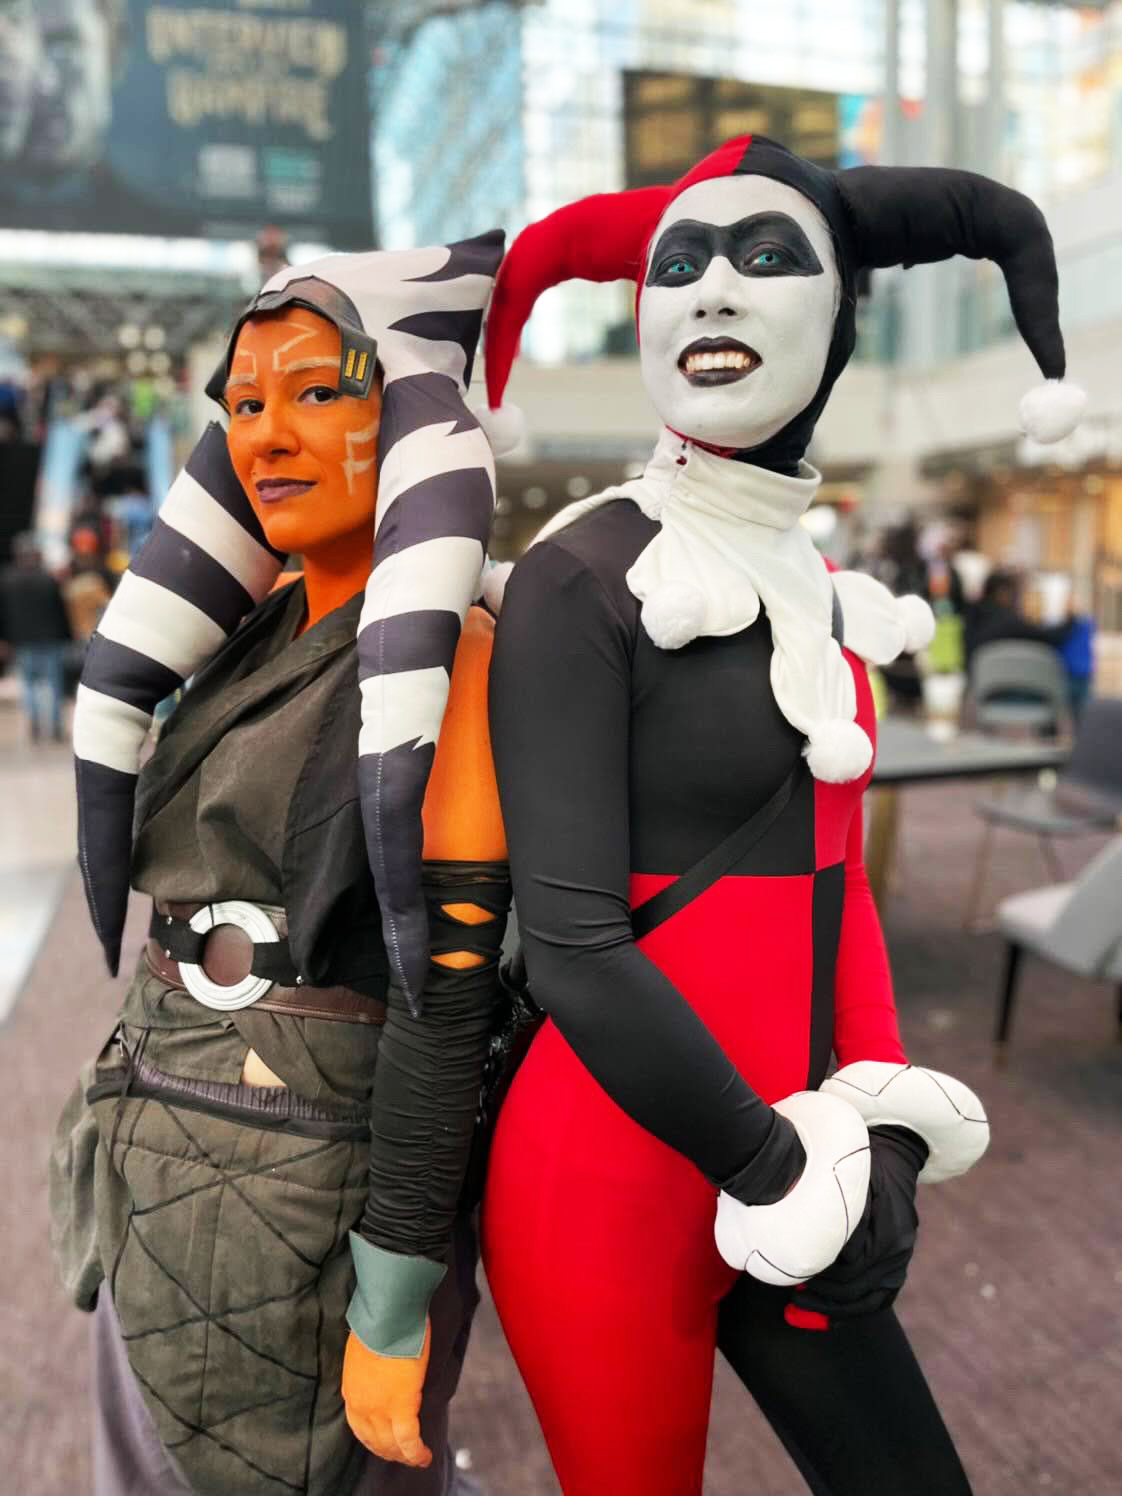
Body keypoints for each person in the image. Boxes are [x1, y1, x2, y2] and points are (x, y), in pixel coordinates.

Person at [478, 136, 1083, 1494]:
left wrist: (876, 1136)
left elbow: (839, 890)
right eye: (677, 264)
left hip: (804, 1148)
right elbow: (571, 940)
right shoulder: (582, 576)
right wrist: (774, 1161)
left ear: (841, 313)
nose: (710, 293)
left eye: (765, 257)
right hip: (608, 1174)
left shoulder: (825, 600)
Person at [50, 231, 511, 1496]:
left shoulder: (451, 653)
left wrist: (399, 1286)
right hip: (166, 1149)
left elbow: (448, 989)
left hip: (308, 1183)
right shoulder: (251, 634)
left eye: (317, 392)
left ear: (406, 417)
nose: (265, 436)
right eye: (244, 404)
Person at [0, 532, 73, 742]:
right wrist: (67, 636)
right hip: (51, 639)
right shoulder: (48, 579)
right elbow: (61, 611)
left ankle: (34, 725)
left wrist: (4, 639)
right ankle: (55, 728)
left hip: (21, 641)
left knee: (29, 685)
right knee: (54, 685)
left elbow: (2, 613)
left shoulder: (7, 579)